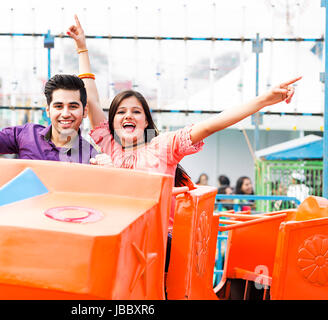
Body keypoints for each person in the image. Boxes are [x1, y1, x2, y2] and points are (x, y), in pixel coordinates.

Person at [67, 15, 299, 273]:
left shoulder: (162, 146)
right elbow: (93, 103)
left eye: (136, 112)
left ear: (146, 121)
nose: (128, 116)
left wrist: (264, 100)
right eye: (121, 112)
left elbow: (212, 125)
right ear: (113, 122)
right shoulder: (111, 147)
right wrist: (82, 48)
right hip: (122, 238)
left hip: (158, 243)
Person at [0, 74, 98, 163]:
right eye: (58, 106)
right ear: (48, 111)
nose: (66, 113)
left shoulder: (90, 156)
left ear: (84, 111)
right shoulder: (27, 135)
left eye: (73, 106)